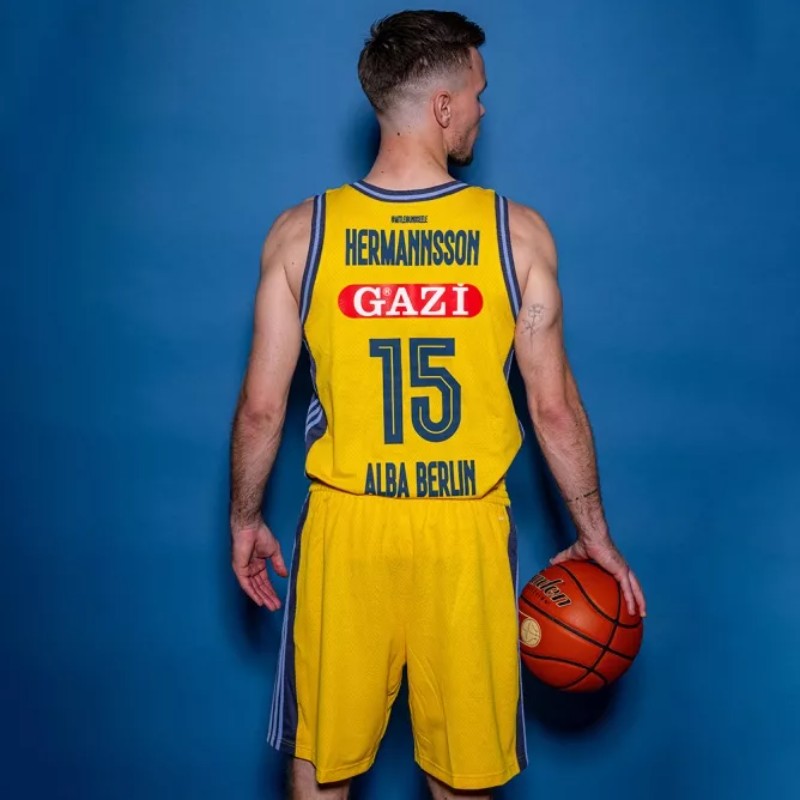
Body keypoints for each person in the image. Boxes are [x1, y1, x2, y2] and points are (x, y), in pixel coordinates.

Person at [229, 10, 647, 800]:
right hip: (464, 534)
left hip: (348, 530)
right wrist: (595, 536)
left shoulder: (301, 235)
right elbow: (553, 411)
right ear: (443, 106)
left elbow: (260, 410)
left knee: (320, 774)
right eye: (478, 93)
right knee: (464, 783)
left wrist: (246, 518)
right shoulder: (516, 236)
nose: (486, 108)